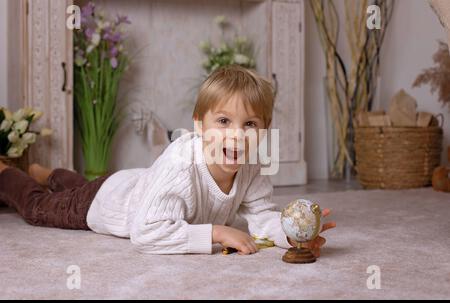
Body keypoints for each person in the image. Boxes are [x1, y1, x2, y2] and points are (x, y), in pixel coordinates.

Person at [0, 65, 336, 255]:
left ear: (264, 130)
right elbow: (145, 232)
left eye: (249, 124)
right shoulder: (182, 164)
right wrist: (216, 233)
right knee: (40, 207)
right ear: (199, 125)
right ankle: (8, 173)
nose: (237, 135)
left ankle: (47, 172)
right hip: (104, 204)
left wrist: (291, 235)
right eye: (223, 122)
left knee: (83, 186)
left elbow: (262, 215)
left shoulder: (250, 167)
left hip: (131, 184)